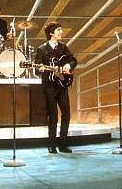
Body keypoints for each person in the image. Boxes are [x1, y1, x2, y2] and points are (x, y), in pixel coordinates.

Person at [35, 22, 78, 154]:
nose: (61, 32)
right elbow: (37, 70)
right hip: (49, 87)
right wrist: (41, 69)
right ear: (51, 33)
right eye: (58, 30)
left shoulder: (64, 47)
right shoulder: (41, 49)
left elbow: (73, 60)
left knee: (67, 114)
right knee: (53, 116)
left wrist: (68, 66)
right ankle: (51, 145)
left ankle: (63, 144)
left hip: (62, 86)